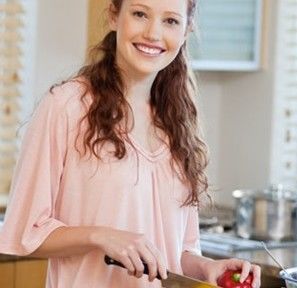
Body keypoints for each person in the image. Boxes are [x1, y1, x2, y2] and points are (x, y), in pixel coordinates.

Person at [0, 0, 261, 287]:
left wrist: (207, 268)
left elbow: (177, 251)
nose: (153, 33)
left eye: (171, 21)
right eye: (140, 14)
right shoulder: (66, 106)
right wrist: (100, 236)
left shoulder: (178, 120)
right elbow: (25, 233)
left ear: (186, 31)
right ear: (114, 16)